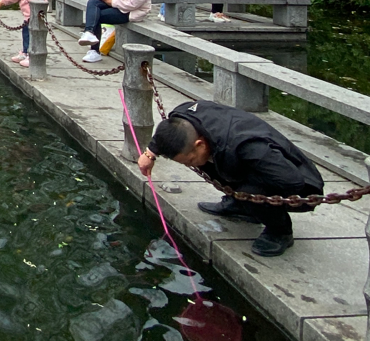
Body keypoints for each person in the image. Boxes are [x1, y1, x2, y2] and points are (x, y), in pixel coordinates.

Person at [136, 99, 324, 257]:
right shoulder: (185, 115)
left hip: (300, 187)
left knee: (250, 191)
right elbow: (169, 132)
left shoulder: (249, 148)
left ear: (199, 144)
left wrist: (252, 197)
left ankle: (280, 231)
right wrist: (150, 153)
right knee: (218, 165)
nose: (189, 165)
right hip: (236, 159)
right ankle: (240, 205)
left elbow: (292, 181)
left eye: (190, 160)